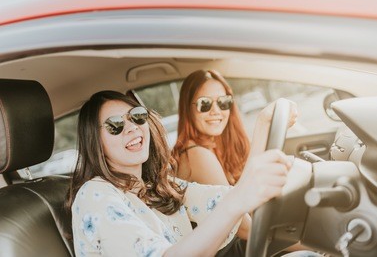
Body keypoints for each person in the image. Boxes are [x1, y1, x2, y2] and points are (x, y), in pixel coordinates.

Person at [66, 90, 293, 257]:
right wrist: (238, 199)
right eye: (114, 124)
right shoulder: (94, 195)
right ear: (94, 142)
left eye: (136, 116)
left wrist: (263, 126)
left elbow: (233, 198)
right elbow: (236, 201)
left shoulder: (156, 187)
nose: (132, 127)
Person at [172, 69, 297, 186]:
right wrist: (262, 122)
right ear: (188, 109)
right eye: (204, 103)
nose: (216, 111)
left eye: (223, 102)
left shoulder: (213, 145)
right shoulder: (196, 153)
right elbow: (241, 203)